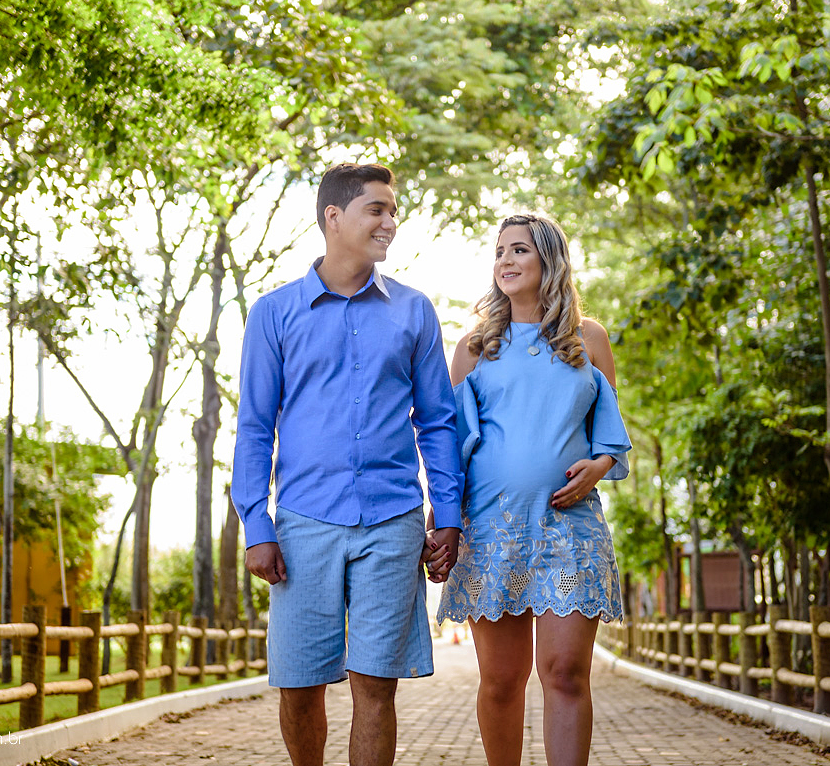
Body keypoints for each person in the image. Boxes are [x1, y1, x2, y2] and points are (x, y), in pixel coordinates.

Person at [231, 163, 463, 766]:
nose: (390, 221)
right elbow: (255, 427)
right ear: (334, 217)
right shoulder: (274, 314)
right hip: (304, 522)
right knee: (300, 684)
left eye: (393, 210)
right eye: (377, 209)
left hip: (394, 519)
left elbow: (436, 421)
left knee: (374, 686)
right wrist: (257, 525)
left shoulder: (414, 312)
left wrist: (450, 515)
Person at [426, 213, 631, 766]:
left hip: (568, 534)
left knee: (564, 672)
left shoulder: (588, 340)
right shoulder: (474, 348)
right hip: (493, 534)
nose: (505, 261)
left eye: (519, 250)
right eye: (499, 253)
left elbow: (609, 431)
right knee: (501, 680)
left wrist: (599, 464)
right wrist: (440, 520)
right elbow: (450, 448)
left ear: (550, 261)